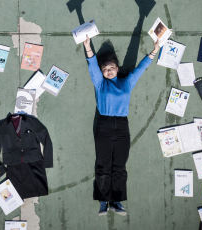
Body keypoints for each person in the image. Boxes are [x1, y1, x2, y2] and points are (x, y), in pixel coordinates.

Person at [83, 35, 160, 216]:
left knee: (119, 165)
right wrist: (87, 46)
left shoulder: (126, 83)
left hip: (122, 127)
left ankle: (116, 201)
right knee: (102, 164)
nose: (108, 71)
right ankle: (103, 201)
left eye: (111, 68)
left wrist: (155, 49)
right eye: (105, 69)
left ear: (117, 69)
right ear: (101, 72)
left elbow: (141, 68)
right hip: (104, 125)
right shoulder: (100, 83)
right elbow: (92, 66)